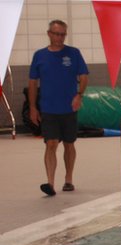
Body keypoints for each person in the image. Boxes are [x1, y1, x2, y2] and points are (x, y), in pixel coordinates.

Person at [28, 20, 89, 197]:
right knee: (51, 144)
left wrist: (79, 94)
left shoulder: (74, 53)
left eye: (63, 34)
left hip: (68, 108)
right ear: (49, 33)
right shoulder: (39, 56)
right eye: (56, 34)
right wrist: (33, 107)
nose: (59, 38)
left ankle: (68, 179)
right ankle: (50, 183)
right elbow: (32, 83)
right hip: (48, 108)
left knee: (69, 144)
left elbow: (84, 76)